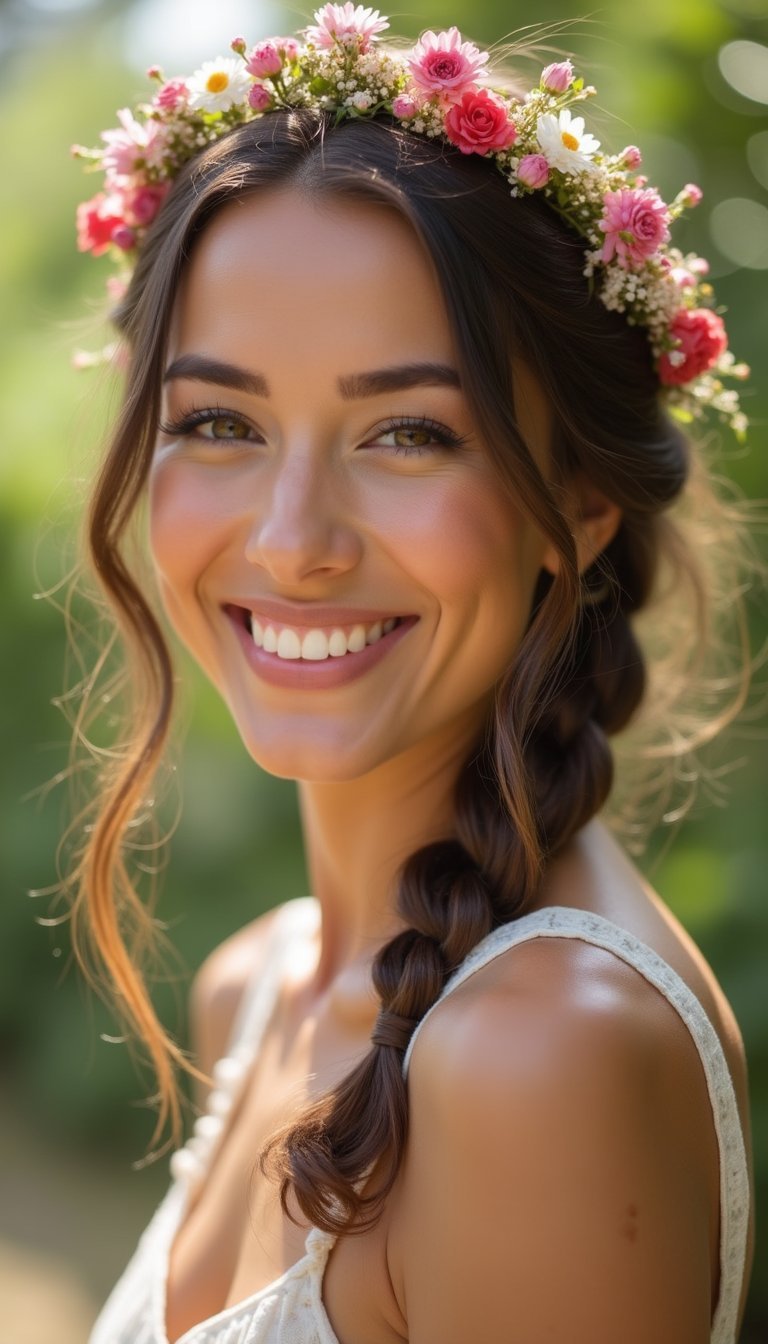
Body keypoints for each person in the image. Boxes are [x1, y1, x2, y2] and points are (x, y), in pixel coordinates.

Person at [67, 7, 755, 1342]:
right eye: (219, 421)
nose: (293, 542)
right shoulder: (257, 986)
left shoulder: (541, 1055)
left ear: (580, 503)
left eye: (409, 434)